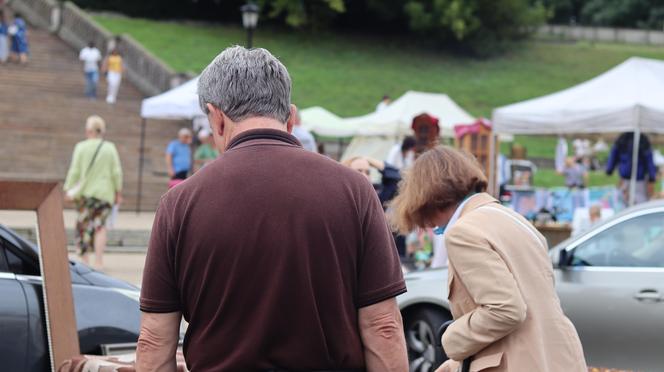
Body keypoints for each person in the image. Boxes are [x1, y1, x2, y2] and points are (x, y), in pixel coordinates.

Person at [136, 46, 408, 372]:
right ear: (291, 117)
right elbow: (383, 327)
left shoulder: (180, 204)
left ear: (217, 117)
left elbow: (154, 340)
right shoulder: (355, 191)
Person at [390, 146, 587, 372]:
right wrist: (457, 364)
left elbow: (506, 310)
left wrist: (450, 338)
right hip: (554, 358)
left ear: (426, 197)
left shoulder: (463, 231)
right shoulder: (513, 218)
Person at [64, 115, 123, 270]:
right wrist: (118, 191)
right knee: (100, 226)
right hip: (105, 194)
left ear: (88, 130)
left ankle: (84, 261)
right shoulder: (110, 147)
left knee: (83, 226)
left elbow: (74, 171)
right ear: (101, 131)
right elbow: (116, 172)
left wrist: (67, 188)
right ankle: (99, 261)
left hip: (85, 194)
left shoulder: (81, 147)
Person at [606, 132, 657, 205]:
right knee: (640, 202)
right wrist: (652, 177)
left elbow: (613, 154)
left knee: (624, 201)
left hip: (626, 177)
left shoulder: (622, 138)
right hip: (638, 178)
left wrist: (609, 170)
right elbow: (649, 159)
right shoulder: (642, 139)